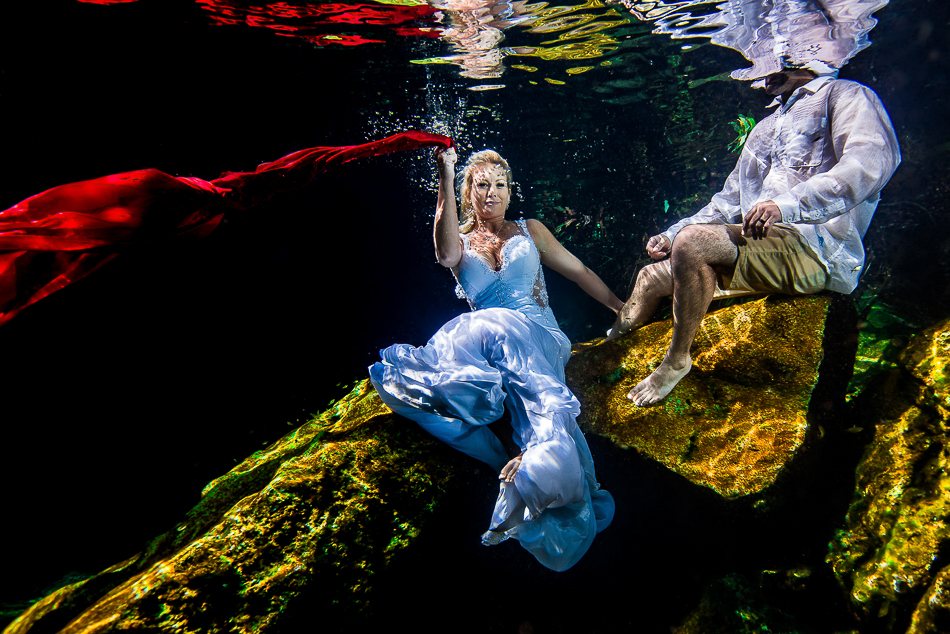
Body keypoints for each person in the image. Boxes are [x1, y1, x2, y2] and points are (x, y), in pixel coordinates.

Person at [369, 147, 620, 571]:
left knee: (504, 325)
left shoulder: (531, 230)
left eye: (500, 185)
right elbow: (446, 256)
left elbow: (578, 271)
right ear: (468, 192)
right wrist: (445, 173)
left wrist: (622, 308)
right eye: (482, 185)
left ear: (510, 190)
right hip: (486, 343)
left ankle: (535, 452)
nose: (492, 193)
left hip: (542, 339)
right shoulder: (460, 241)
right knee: (480, 330)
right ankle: (526, 449)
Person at [607, 63, 901, 406]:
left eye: (778, 58)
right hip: (764, 243)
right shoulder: (766, 127)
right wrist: (672, 234)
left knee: (694, 244)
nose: (764, 67)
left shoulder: (847, 95)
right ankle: (608, 345)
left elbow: (870, 165)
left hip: (816, 249)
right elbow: (728, 200)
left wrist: (787, 205)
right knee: (651, 275)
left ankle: (676, 361)